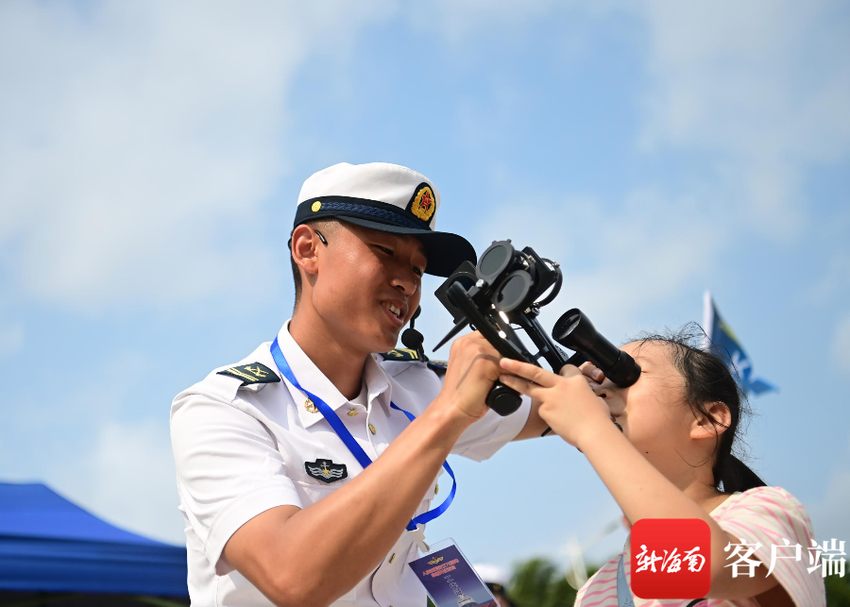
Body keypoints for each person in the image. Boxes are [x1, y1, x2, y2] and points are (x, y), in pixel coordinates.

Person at [170, 162, 549, 607]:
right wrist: (448, 414)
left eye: (418, 268)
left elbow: (564, 409)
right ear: (308, 250)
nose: (407, 281)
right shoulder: (222, 409)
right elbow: (292, 577)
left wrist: (617, 368)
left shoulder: (418, 386)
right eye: (384, 251)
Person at [498, 329, 826, 606]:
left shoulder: (765, 512)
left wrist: (590, 427)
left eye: (627, 373)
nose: (600, 389)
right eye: (598, 380)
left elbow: (698, 561)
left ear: (708, 419)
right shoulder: (597, 589)